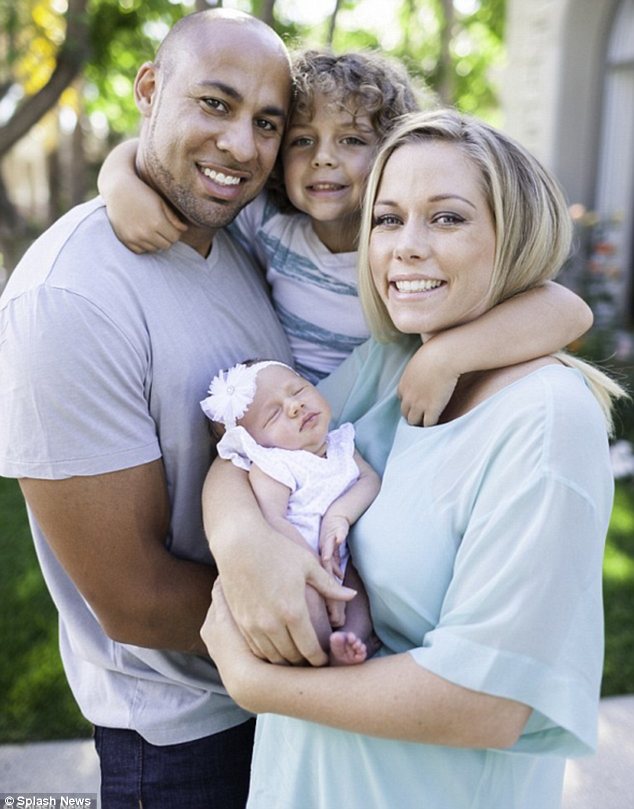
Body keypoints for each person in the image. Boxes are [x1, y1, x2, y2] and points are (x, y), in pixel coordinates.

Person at [200, 108, 627, 809]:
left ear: (511, 235)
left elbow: (486, 701)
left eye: (448, 218)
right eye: (388, 219)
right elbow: (241, 454)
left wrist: (261, 684)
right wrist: (247, 545)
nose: (407, 247)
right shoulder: (391, 364)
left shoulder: (546, 420)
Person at [0, 9, 349, 808]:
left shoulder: (243, 238)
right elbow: (131, 595)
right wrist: (339, 621)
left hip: (293, 705)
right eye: (215, 104)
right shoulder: (69, 300)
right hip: (185, 742)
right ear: (150, 89)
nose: (240, 146)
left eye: (267, 123)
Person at [97, 48, 593, 426]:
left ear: (393, 153)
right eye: (302, 141)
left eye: (352, 140)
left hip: (379, 421)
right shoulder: (270, 224)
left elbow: (570, 312)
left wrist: (445, 357)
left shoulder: (401, 255)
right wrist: (118, 181)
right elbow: (158, 155)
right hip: (286, 423)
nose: (323, 158)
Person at [200, 359, 381, 665]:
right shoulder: (275, 466)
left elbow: (368, 480)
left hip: (338, 555)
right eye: (273, 415)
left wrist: (339, 516)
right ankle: (321, 652)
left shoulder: (341, 446)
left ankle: (349, 643)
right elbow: (273, 521)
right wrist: (318, 574)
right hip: (295, 563)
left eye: (298, 390)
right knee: (306, 606)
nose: (294, 406)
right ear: (255, 445)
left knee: (359, 597)